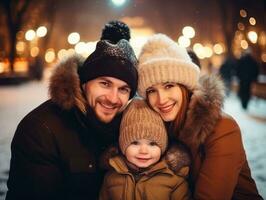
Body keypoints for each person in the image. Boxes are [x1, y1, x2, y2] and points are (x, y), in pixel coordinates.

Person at [6, 20, 138, 200]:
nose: (113, 98)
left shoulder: (131, 129)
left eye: (123, 89)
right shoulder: (41, 130)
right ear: (84, 84)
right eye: (105, 84)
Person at [136, 33, 262, 199]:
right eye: (152, 91)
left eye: (169, 86)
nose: (161, 99)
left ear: (185, 86)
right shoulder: (157, 128)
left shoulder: (222, 129)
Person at [99, 99, 191, 200]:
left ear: (163, 148)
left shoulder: (174, 180)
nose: (143, 151)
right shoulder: (111, 177)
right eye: (135, 143)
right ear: (122, 146)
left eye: (152, 144)